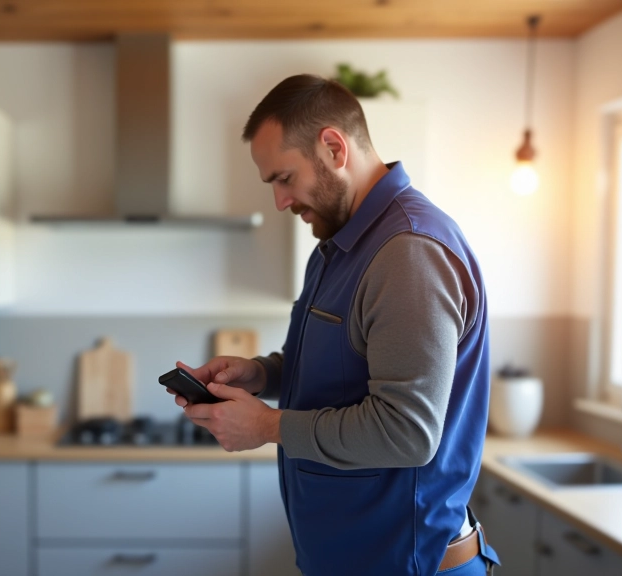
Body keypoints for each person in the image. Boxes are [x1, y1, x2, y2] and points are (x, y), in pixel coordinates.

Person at [165, 74, 499, 576]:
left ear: (333, 147)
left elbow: (406, 431)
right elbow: (345, 362)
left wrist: (266, 426)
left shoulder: (408, 252)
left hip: (407, 565)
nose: (280, 201)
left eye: (284, 178)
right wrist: (260, 374)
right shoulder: (338, 245)